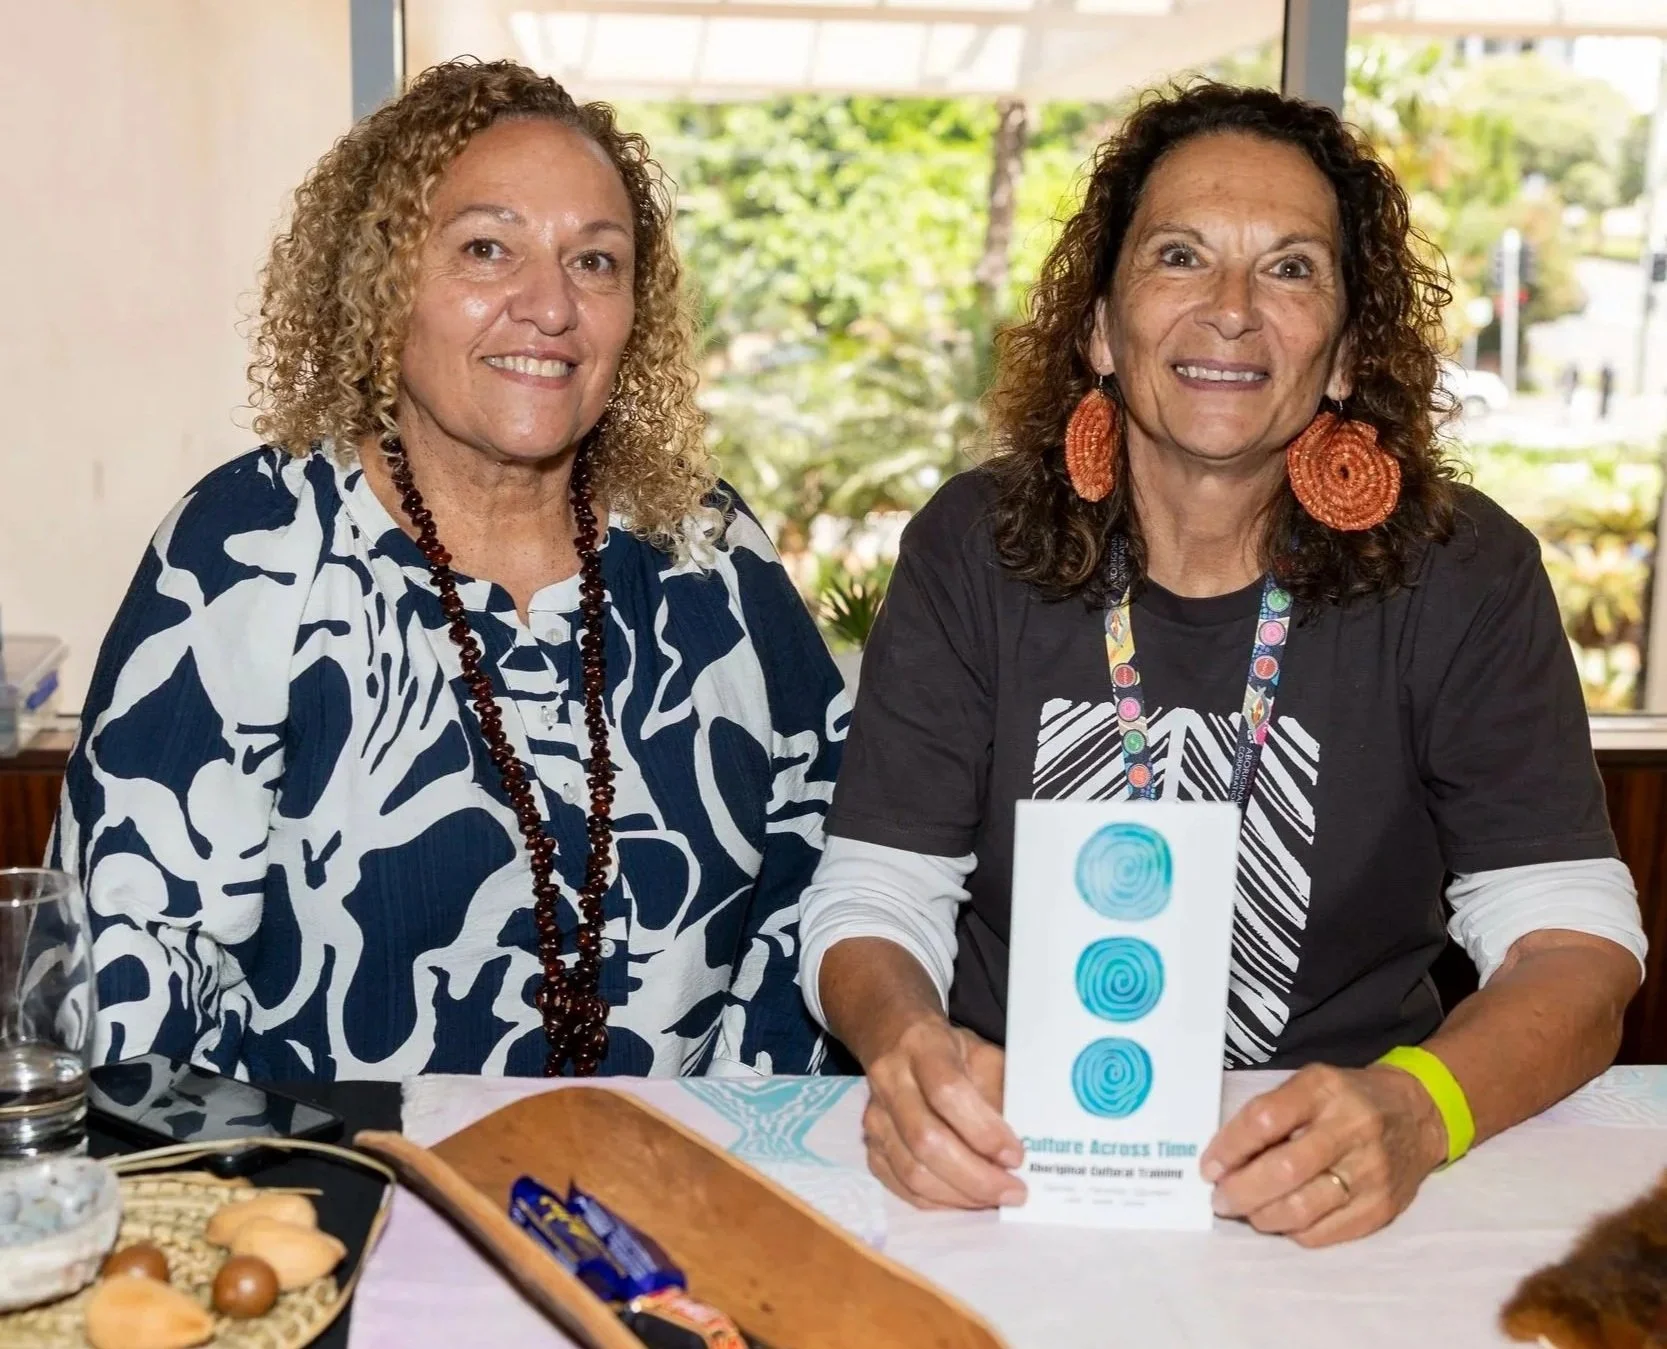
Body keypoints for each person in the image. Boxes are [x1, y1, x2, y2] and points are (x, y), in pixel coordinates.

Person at [801, 84, 1645, 1246]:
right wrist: (909, 1048)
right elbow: (875, 893)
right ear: (1101, 327)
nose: (1232, 309)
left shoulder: (1460, 572)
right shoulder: (973, 544)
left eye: (1289, 268)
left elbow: (1572, 943)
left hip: (1346, 1186)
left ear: (1344, 352)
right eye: (1179, 255)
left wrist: (1416, 1106)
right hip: (1011, 1163)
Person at [54, 60, 847, 1081]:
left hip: (689, 1167)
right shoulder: (251, 547)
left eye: (595, 261)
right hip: (334, 1170)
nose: (549, 307)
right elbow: (137, 972)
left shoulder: (710, 550)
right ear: (383, 284)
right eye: (485, 249)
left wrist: (731, 1136)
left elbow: (824, 870)